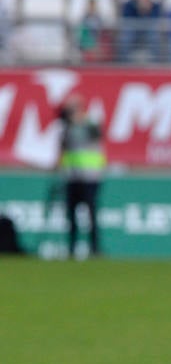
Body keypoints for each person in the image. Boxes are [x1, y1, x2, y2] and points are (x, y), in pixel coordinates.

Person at [56, 94, 107, 260]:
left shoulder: (90, 125)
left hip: (90, 177)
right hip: (72, 177)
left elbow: (98, 136)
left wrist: (80, 120)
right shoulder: (66, 128)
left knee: (91, 214)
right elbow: (63, 149)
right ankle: (71, 248)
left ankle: (95, 248)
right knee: (71, 215)